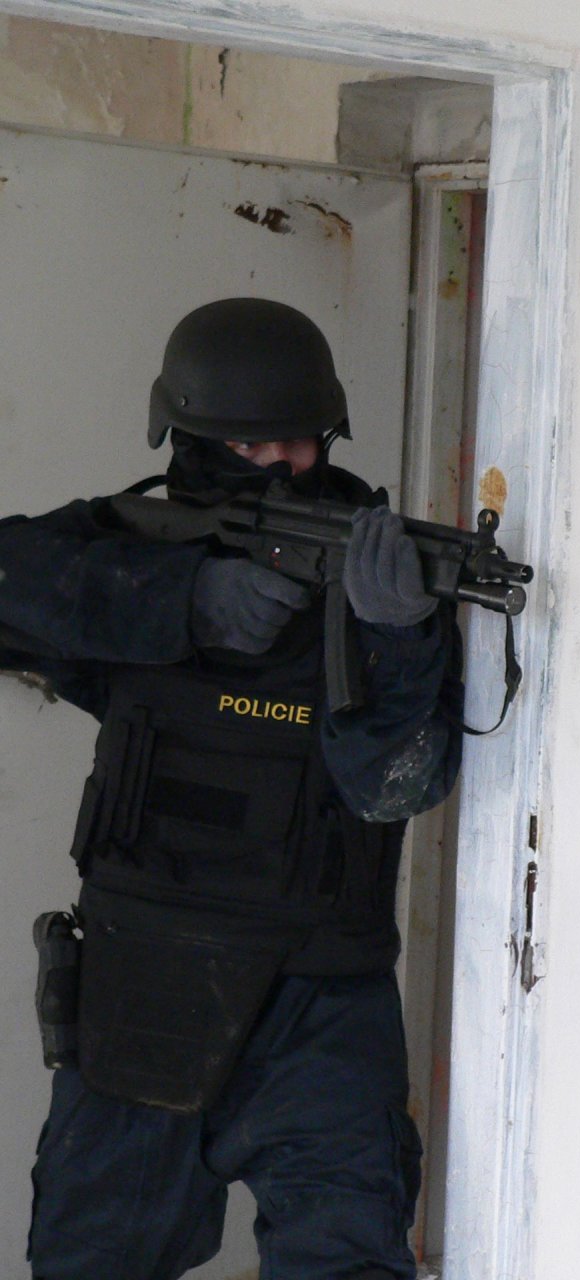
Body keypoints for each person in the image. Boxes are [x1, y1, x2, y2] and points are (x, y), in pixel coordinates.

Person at [7, 298, 463, 1279]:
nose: (281, 464)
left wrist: (399, 637)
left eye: (299, 442)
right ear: (187, 440)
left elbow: (392, 790)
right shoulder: (137, 544)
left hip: (321, 999)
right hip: (145, 978)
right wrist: (184, 601)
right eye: (250, 446)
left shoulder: (381, 571)